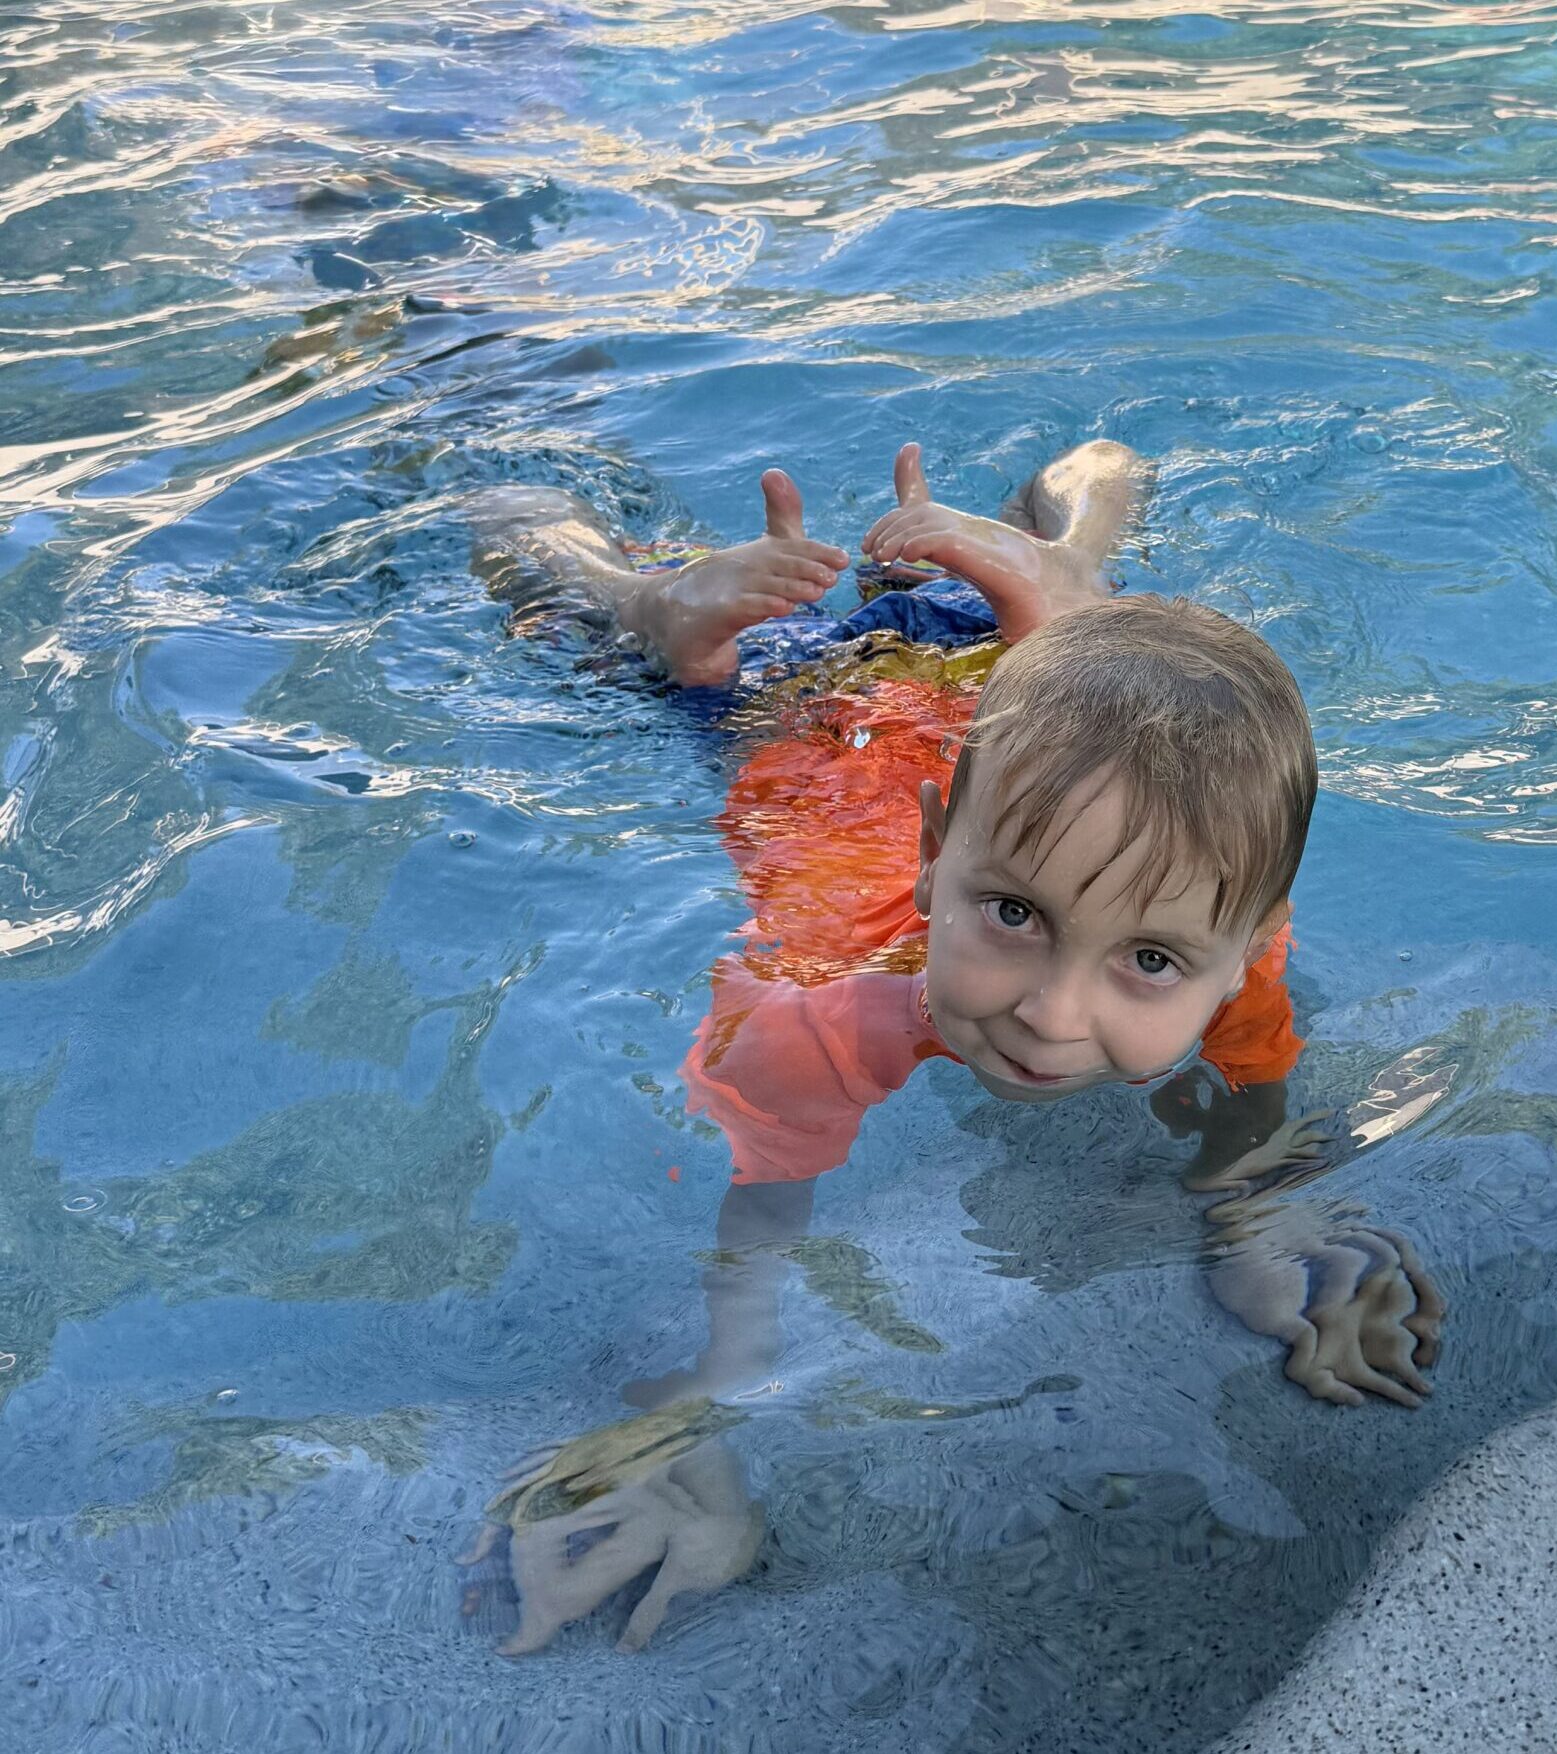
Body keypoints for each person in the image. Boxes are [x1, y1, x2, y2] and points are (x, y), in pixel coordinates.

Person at [461, 442, 1443, 1653]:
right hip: (783, 706)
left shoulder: (1232, 945)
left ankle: (1065, 569)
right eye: (1015, 918)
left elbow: (1250, 1088)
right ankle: (647, 600)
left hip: (1014, 739)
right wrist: (701, 1411)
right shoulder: (821, 1012)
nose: (1049, 1014)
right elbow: (760, 1216)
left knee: (1101, 480)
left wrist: (1256, 1206)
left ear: (1247, 947)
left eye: (1147, 960)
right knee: (543, 558)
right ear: (933, 865)